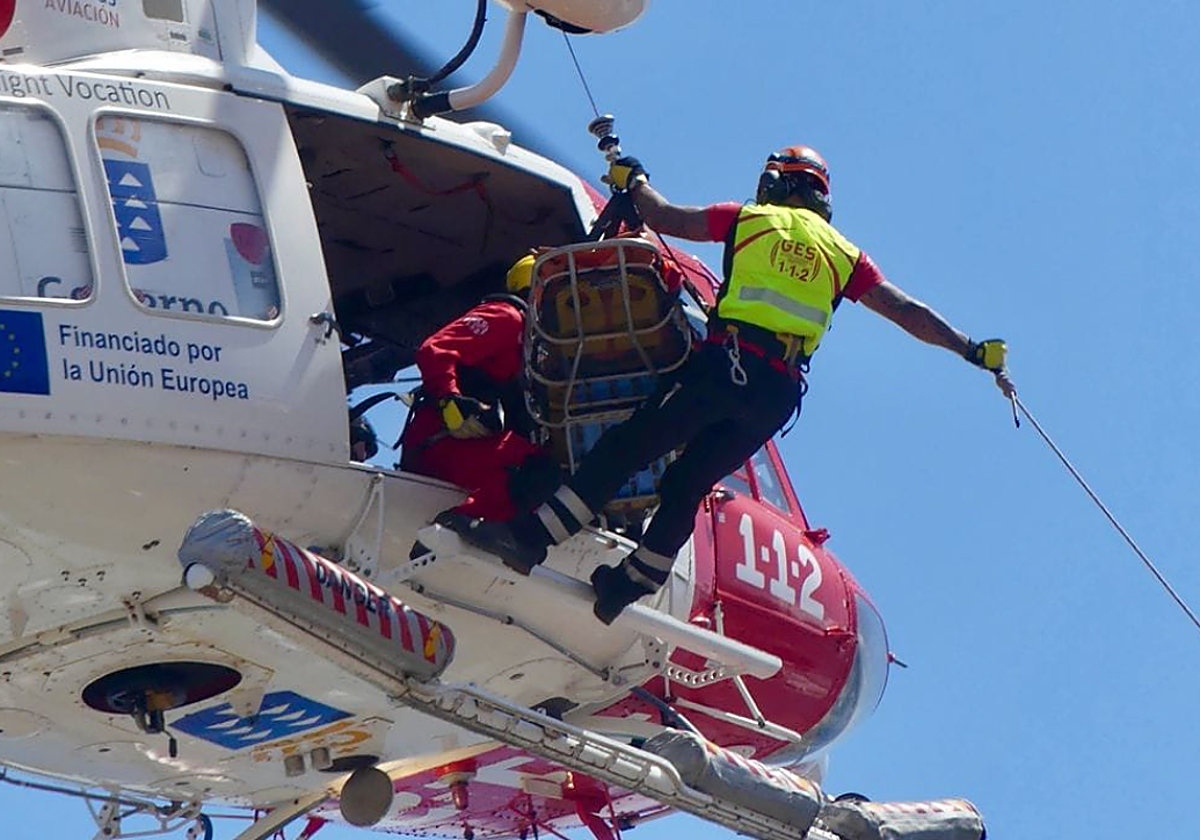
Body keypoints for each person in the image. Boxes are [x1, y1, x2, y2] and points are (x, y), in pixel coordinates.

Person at [448, 145, 1016, 623]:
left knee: (627, 446)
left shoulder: (750, 218)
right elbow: (907, 312)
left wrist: (633, 181)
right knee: (689, 481)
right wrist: (971, 349)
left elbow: (667, 220)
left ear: (776, 183)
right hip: (776, 393)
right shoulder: (845, 256)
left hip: (727, 365)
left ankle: (529, 539)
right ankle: (627, 587)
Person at [400, 255, 560, 525]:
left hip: (457, 448)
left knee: (546, 474)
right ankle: (461, 523)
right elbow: (434, 350)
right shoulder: (507, 317)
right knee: (541, 471)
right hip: (439, 441)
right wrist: (449, 399)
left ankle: (483, 524)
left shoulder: (532, 349)